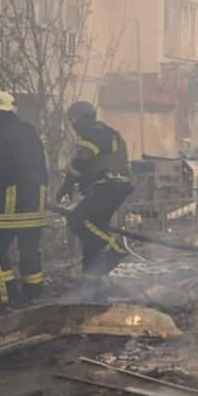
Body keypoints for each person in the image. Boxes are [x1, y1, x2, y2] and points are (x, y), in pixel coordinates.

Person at [0, 89, 48, 310]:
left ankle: (6, 298)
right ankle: (33, 294)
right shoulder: (29, 131)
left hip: (11, 198)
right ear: (12, 110)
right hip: (37, 198)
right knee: (29, 246)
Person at [56, 101, 134, 281]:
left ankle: (114, 247)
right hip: (113, 185)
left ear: (81, 120)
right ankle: (91, 279)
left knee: (78, 219)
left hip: (109, 187)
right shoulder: (105, 132)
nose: (73, 127)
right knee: (95, 230)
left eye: (73, 122)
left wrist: (66, 184)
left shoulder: (93, 133)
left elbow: (81, 160)